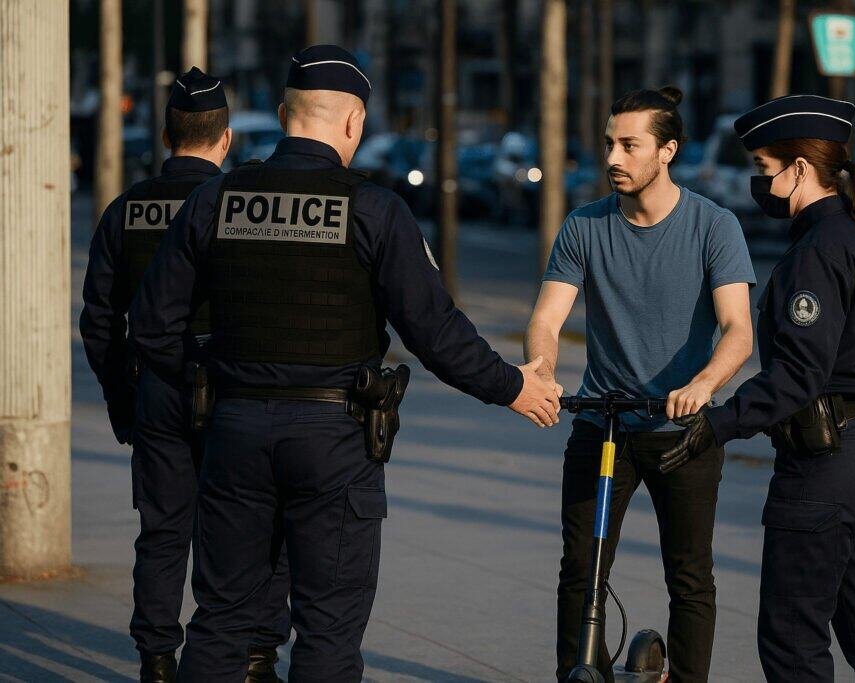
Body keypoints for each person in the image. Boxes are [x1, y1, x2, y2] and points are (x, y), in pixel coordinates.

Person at [129, 45, 561, 682]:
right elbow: (434, 331)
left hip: (235, 431)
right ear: (355, 123)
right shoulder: (374, 210)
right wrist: (511, 388)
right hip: (335, 439)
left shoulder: (216, 199)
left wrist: (216, 377)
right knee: (327, 629)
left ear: (283, 114)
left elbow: (153, 324)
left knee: (221, 618)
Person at [663, 95, 855, 682]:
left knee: (792, 637)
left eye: (763, 169)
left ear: (800, 169)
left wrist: (717, 424)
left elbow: (800, 375)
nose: (760, 182)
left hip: (827, 460)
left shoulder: (818, 252)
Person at [525, 86, 757, 682]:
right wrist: (542, 368)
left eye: (630, 144)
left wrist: (705, 383)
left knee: (689, 574)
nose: (614, 157)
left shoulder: (715, 225)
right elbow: (548, 319)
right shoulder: (584, 225)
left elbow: (737, 330)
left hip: (681, 430)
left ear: (668, 150)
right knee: (581, 566)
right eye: (609, 143)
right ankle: (581, 674)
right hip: (603, 424)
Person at [80, 67, 291, 683]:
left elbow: (99, 321)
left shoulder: (125, 211)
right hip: (236, 392)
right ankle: (255, 655)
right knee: (258, 528)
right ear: (225, 139)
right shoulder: (247, 207)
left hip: (159, 391)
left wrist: (125, 400)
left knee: (164, 531)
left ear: (167, 135)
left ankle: (156, 659)